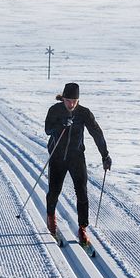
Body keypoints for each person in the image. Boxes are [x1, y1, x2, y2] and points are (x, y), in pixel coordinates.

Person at [44, 82, 111, 246]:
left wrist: (105, 155)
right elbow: (47, 129)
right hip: (57, 156)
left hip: (76, 157)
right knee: (54, 190)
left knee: (82, 192)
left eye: (74, 101)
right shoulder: (55, 110)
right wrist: (60, 126)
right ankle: (51, 217)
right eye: (68, 100)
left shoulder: (84, 113)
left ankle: (82, 228)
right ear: (63, 98)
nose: (71, 104)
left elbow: (96, 133)